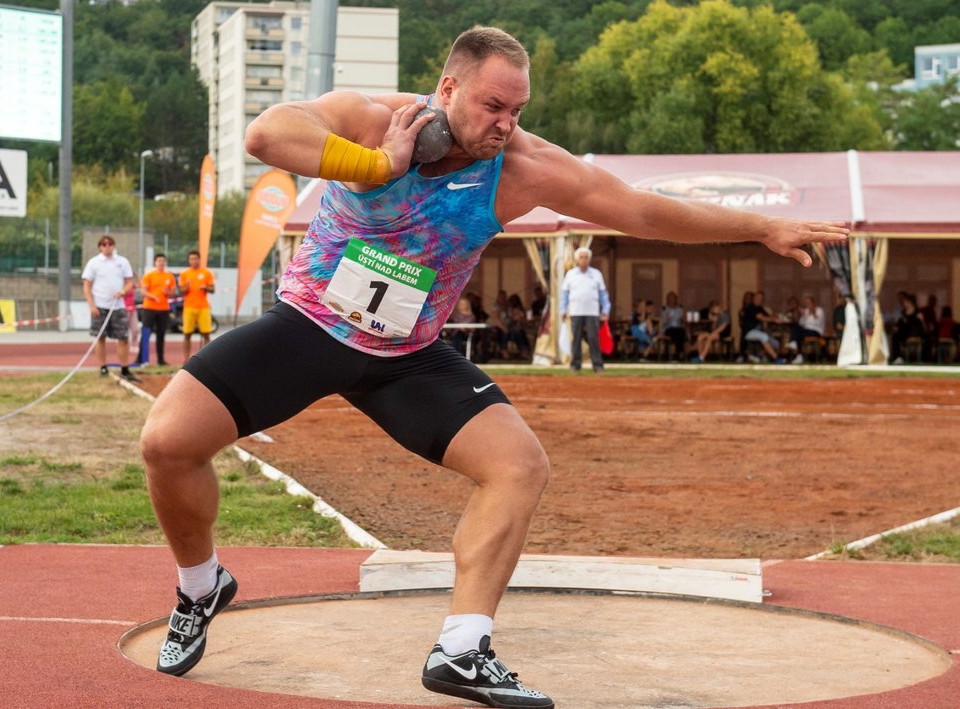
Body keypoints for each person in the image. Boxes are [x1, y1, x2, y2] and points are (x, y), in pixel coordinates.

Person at [139, 26, 848, 708]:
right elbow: (266, 135)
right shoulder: (374, 119)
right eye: (492, 105)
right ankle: (202, 585)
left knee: (519, 464)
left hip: (406, 356)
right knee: (167, 441)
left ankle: (462, 646)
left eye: (517, 110)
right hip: (310, 328)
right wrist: (379, 165)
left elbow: (642, 210)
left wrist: (761, 226)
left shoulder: (525, 169)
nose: (505, 123)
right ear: (448, 87)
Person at [81, 234, 139, 383]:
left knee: (123, 337)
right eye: (104, 244)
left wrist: (123, 292)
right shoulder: (94, 263)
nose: (107, 247)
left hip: (118, 306)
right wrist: (92, 305)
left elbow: (129, 282)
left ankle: (124, 369)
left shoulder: (122, 262)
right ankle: (103, 367)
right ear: (100, 247)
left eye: (110, 244)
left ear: (113, 245)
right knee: (100, 337)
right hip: (100, 306)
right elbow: (87, 285)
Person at [560, 246, 610, 371]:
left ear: (589, 259)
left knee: (593, 338)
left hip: (592, 311)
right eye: (581, 257)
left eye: (586, 257)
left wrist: (606, 310)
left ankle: (597, 365)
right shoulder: (570, 274)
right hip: (575, 311)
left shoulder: (596, 274)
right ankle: (575, 364)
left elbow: (603, 294)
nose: (584, 260)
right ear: (577, 259)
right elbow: (564, 295)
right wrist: (562, 309)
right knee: (576, 338)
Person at [140, 253, 178, 366]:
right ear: (155, 262)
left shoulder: (169, 276)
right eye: (159, 261)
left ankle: (160, 360)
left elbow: (173, 292)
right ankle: (142, 359)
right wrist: (153, 296)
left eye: (163, 261)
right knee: (146, 333)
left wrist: (168, 293)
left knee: (161, 334)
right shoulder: (149, 275)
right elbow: (143, 291)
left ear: (165, 262)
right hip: (149, 308)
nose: (161, 263)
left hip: (163, 309)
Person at [178, 249, 215, 362]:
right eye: (191, 259)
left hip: (203, 307)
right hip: (189, 306)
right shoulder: (184, 274)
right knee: (187, 334)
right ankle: (186, 359)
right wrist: (187, 286)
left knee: (206, 333)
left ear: (199, 260)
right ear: (189, 260)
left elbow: (213, 289)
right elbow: (181, 291)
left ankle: (207, 359)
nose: (193, 261)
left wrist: (206, 288)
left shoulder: (206, 273)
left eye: (195, 259)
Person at [741, 290, 784, 363]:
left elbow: (770, 317)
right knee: (763, 336)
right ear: (754, 298)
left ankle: (758, 355)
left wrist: (772, 314)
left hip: (758, 332)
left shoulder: (760, 308)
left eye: (761, 298)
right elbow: (761, 318)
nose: (759, 300)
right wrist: (774, 319)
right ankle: (775, 358)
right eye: (757, 297)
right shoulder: (750, 307)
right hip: (748, 332)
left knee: (776, 343)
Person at [790, 295, 825, 364]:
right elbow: (801, 324)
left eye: (809, 303)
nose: (807, 304)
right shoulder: (806, 312)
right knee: (796, 328)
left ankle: (794, 343)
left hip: (815, 331)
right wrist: (803, 316)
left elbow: (818, 321)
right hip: (805, 331)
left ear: (813, 303)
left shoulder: (819, 310)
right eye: (806, 303)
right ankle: (799, 355)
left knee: (798, 335)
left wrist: (812, 312)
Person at [658, 291, 686, 360]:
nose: (671, 300)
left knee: (681, 331)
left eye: (672, 298)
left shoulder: (679, 309)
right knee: (679, 332)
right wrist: (666, 319)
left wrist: (682, 319)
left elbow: (683, 322)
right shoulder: (664, 309)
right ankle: (679, 354)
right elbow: (662, 323)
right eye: (669, 298)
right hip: (668, 329)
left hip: (678, 329)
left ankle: (677, 354)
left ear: (675, 299)